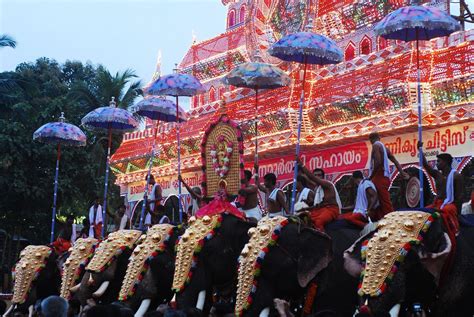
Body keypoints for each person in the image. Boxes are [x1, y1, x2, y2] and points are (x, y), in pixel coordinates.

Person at [418, 143, 463, 233]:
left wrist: (458, 214)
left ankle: (454, 231)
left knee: (446, 210)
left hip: (450, 205)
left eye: (438, 161)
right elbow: (425, 165)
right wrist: (419, 149)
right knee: (421, 213)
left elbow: (459, 196)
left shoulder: (456, 176)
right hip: (437, 203)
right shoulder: (437, 174)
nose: (436, 163)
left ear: (445, 162)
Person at [368, 132, 409, 219]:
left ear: (371, 140)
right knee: (381, 201)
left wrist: (370, 177)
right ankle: (383, 219)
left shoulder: (375, 146)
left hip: (379, 176)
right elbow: (395, 161)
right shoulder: (385, 148)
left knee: (383, 202)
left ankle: (392, 219)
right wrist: (401, 172)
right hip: (385, 177)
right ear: (379, 138)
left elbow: (378, 163)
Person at [297, 161, 341, 231]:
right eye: (315, 175)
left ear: (323, 176)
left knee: (318, 222)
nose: (317, 177)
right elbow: (318, 206)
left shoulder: (328, 184)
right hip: (322, 210)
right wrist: (304, 209)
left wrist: (301, 165)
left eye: (319, 175)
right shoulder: (317, 188)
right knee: (306, 218)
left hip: (332, 210)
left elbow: (311, 178)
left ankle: (323, 241)